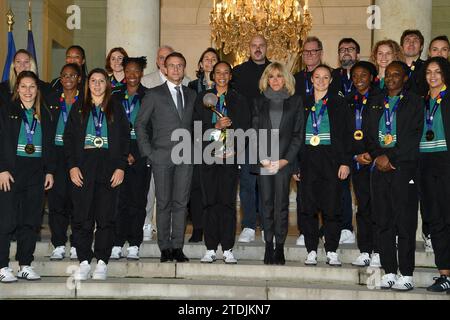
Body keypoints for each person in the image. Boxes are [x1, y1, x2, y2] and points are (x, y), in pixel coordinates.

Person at [64, 68, 130, 281]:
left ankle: (102, 261)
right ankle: (84, 261)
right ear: (88, 84)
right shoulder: (78, 108)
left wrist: (121, 167)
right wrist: (72, 166)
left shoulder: (116, 109)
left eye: (101, 80)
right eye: (93, 80)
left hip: (109, 170)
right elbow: (69, 140)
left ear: (107, 84)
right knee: (82, 217)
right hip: (83, 169)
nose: (97, 84)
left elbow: (124, 140)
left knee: (106, 217)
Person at [366, 61, 423, 291]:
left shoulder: (414, 102)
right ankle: (390, 271)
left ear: (405, 78)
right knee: (383, 220)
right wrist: (378, 155)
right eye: (388, 74)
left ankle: (406, 273)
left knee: (405, 222)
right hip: (379, 169)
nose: (390, 78)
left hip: (403, 168)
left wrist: (391, 158)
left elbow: (413, 136)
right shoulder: (375, 101)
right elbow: (368, 134)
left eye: (396, 74)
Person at [135, 52, 196, 263]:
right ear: (164, 69)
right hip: (161, 156)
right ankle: (165, 247)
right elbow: (140, 124)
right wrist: (148, 153)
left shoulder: (191, 94)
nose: (176, 69)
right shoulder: (153, 94)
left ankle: (177, 246)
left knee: (181, 203)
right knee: (163, 203)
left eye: (180, 66)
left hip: (186, 157)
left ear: (184, 68)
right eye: (172, 66)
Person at [0, 71, 55, 283]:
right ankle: (2, 266)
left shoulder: (45, 112)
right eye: (23, 86)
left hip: (36, 171)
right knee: (6, 220)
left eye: (32, 86)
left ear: (37, 89)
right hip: (11, 172)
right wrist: (2, 168)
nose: (28, 91)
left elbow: (50, 144)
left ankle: (25, 264)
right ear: (17, 89)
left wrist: (50, 170)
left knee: (31, 221)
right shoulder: (7, 110)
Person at [195, 61, 251, 264]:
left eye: (226, 72)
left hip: (230, 156)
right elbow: (194, 127)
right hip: (208, 155)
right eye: (218, 72)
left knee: (227, 203)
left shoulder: (238, 99)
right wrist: (215, 125)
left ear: (230, 76)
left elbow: (245, 128)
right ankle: (210, 247)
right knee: (209, 202)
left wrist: (235, 149)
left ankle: (227, 248)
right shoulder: (202, 99)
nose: (221, 76)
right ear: (213, 75)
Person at [296, 65, 351, 267]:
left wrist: (345, 161)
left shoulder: (339, 103)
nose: (321, 81)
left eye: (325, 77)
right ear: (311, 79)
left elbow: (347, 135)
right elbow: (294, 135)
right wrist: (295, 165)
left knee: (332, 207)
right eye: (317, 77)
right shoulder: (302, 103)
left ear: (330, 80)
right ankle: (311, 250)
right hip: (308, 159)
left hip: (332, 159)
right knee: (307, 208)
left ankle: (331, 250)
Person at [253, 62, 304, 265]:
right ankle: (268, 245)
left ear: (286, 79)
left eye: (279, 76)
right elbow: (254, 132)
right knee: (266, 204)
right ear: (266, 79)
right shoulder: (258, 101)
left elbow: (297, 134)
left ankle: (280, 246)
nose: (275, 80)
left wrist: (285, 160)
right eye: (271, 76)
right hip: (265, 161)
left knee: (282, 205)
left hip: (284, 161)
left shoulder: (296, 101)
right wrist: (263, 159)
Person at [110, 57, 151, 260]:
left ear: (141, 73)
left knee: (137, 200)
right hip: (119, 154)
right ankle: (117, 241)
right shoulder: (115, 95)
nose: (132, 75)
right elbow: (111, 127)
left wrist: (139, 152)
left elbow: (153, 128)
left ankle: (134, 242)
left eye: (136, 71)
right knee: (119, 200)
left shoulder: (149, 96)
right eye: (128, 71)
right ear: (124, 73)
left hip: (142, 155)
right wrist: (123, 153)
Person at [232, 34, 271, 243]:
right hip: (245, 136)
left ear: (266, 47)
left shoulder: (275, 71)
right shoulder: (237, 73)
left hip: (268, 137)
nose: (257, 49)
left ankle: (266, 226)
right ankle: (248, 225)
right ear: (248, 48)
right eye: (254, 46)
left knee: (266, 184)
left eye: (261, 46)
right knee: (247, 183)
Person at [345, 61, 383, 268]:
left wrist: (372, 153)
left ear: (372, 78)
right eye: (355, 75)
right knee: (363, 207)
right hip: (357, 161)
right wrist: (355, 156)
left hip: (377, 161)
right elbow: (344, 134)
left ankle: (379, 250)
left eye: (364, 75)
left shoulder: (381, 99)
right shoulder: (349, 101)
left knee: (378, 207)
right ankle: (365, 250)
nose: (359, 79)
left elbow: (384, 130)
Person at [418, 57, 450, 293]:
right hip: (425, 166)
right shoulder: (420, 102)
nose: (432, 76)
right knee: (435, 220)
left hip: (447, 163)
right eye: (429, 72)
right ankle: (444, 273)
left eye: (437, 72)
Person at [47, 63, 83, 261]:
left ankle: (77, 243)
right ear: (60, 78)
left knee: (77, 202)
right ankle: (59, 243)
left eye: (72, 75)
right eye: (64, 75)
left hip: (78, 157)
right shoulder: (51, 99)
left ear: (78, 78)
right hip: (56, 155)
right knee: (57, 201)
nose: (68, 78)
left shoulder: (84, 101)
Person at [293, 36, 324, 247]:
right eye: (306, 52)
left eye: (313, 51)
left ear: (321, 53)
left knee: (329, 193)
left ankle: (329, 232)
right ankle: (305, 231)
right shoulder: (294, 78)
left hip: (326, 146)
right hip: (303, 143)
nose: (310, 55)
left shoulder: (332, 76)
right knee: (303, 192)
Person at [187, 47, 220, 243]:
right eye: (206, 59)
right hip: (195, 140)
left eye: (213, 58)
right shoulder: (191, 86)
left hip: (218, 141)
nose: (209, 61)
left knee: (215, 187)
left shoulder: (224, 86)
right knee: (197, 187)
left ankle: (213, 226)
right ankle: (198, 227)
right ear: (200, 64)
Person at [331, 38, 361, 245]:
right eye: (342, 50)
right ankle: (343, 227)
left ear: (358, 54)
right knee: (339, 185)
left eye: (350, 49)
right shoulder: (332, 77)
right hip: (340, 139)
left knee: (362, 187)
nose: (346, 53)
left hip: (362, 139)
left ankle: (368, 231)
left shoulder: (367, 76)